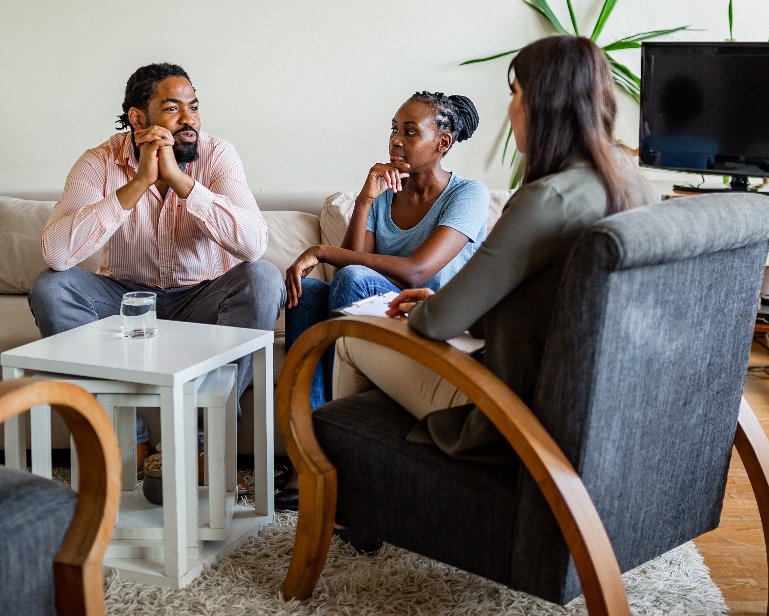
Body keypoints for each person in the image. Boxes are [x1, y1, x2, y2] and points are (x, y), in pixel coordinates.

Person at [334, 35, 661, 467]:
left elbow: (438, 323)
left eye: (515, 92)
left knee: (347, 341)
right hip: (596, 404)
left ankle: (341, 491)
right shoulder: (638, 186)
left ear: (543, 103)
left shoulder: (547, 201)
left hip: (507, 412)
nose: (510, 109)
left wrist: (429, 307)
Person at [28, 63, 286, 493]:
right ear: (137, 118)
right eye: (173, 109)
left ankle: (203, 448)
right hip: (124, 303)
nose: (189, 120)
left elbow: (254, 245)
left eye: (194, 107)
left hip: (201, 299)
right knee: (50, 288)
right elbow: (56, 252)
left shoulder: (218, 154)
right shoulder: (99, 161)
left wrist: (181, 182)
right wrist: (141, 182)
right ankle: (126, 445)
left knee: (262, 279)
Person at [275, 91, 489, 510]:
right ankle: (310, 453)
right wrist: (365, 199)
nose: (396, 141)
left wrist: (321, 250)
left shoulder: (468, 194)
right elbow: (344, 281)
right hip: (377, 310)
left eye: (410, 132)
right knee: (308, 294)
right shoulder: (385, 192)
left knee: (350, 275)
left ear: (442, 143)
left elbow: (416, 272)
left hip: (429, 317)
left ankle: (333, 454)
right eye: (393, 129)